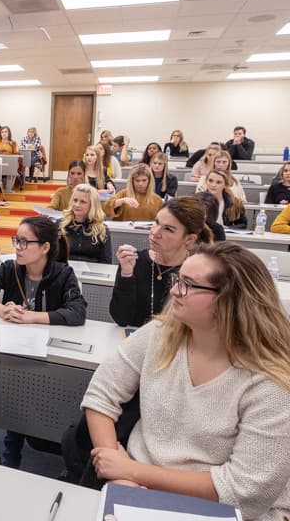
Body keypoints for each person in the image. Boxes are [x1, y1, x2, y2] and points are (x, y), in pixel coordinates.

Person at [83, 242, 290, 521]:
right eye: (178, 280)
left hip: (221, 511)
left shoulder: (269, 382)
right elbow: (101, 394)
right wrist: (117, 472)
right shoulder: (161, 333)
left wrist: (131, 472)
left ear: (228, 299)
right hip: (133, 489)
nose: (174, 291)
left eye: (188, 285)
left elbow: (242, 490)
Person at [0, 216, 86, 468]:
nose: (17, 247)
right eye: (16, 240)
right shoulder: (9, 268)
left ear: (45, 247)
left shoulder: (63, 273)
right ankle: (12, 449)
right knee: (14, 387)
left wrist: (32, 316)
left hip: (48, 349)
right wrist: (0, 309)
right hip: (16, 347)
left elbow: (77, 313)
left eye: (24, 242)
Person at [110, 197, 212, 328]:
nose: (155, 232)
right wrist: (126, 275)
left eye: (168, 229)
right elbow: (121, 318)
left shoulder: (197, 273)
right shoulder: (135, 261)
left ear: (189, 239)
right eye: (156, 222)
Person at [60, 184, 111, 264]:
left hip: (92, 273)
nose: (77, 205)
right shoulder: (61, 225)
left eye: (83, 202)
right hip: (65, 272)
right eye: (75, 200)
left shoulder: (102, 229)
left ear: (92, 205)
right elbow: (54, 257)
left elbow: (106, 261)